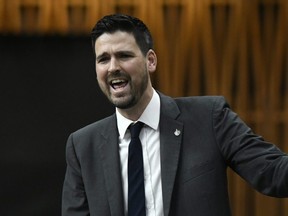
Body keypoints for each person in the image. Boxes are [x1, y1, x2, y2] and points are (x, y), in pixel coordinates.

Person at [62, 14, 288, 216]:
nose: (113, 67)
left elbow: (274, 173)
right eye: (103, 59)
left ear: (150, 61)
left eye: (124, 55)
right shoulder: (82, 146)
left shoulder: (210, 118)